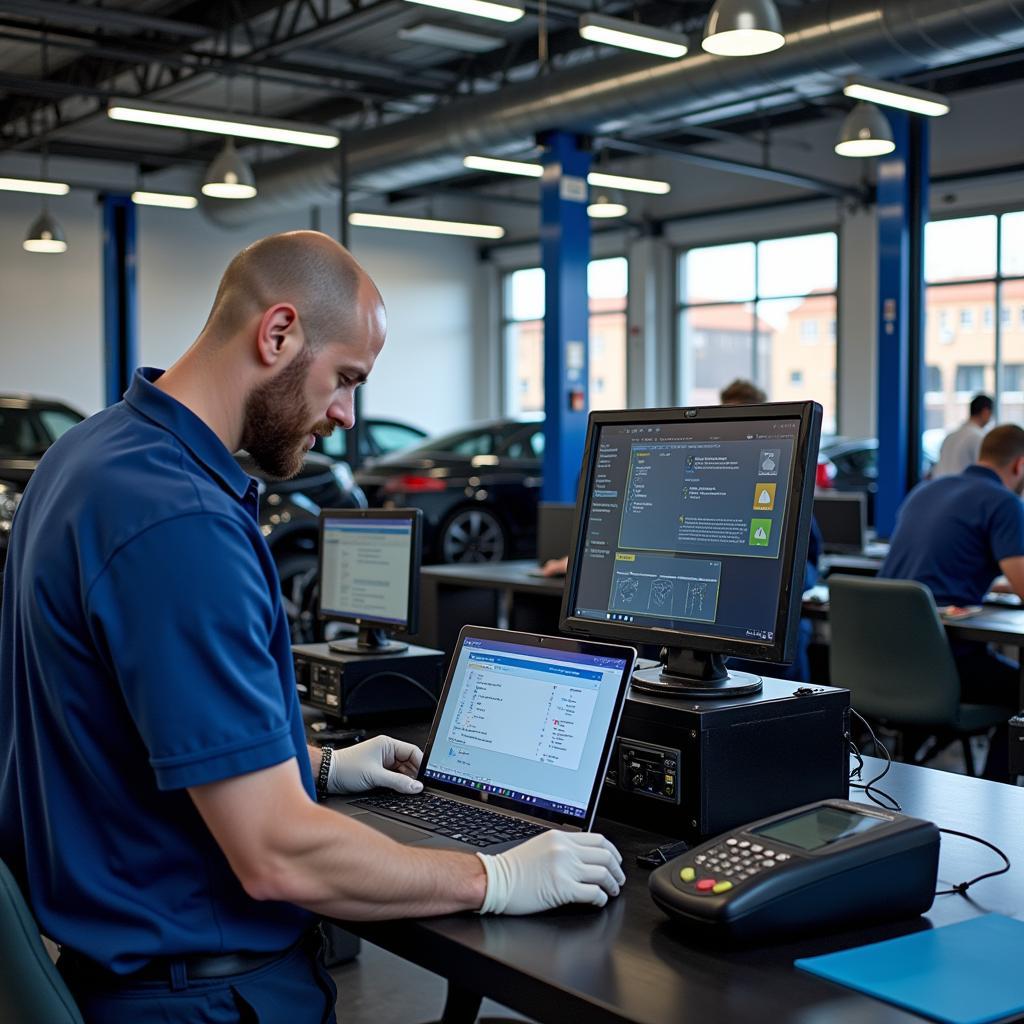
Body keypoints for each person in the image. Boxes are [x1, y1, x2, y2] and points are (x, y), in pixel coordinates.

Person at [0, 231, 624, 1024]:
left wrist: (317, 767)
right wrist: (494, 876)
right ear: (278, 333)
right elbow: (277, 854)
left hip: (125, 965)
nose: (345, 414)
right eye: (346, 379)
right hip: (205, 995)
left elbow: (110, 718)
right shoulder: (179, 522)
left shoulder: (88, 457)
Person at [879, 423, 1024, 782]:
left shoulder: (926, 490)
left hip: (880, 662)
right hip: (941, 667)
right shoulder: (1003, 503)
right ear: (1020, 465)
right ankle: (1001, 798)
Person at [932, 393, 993, 478]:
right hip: (963, 488)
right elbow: (984, 471)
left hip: (940, 488)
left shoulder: (950, 436)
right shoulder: (978, 437)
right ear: (985, 412)